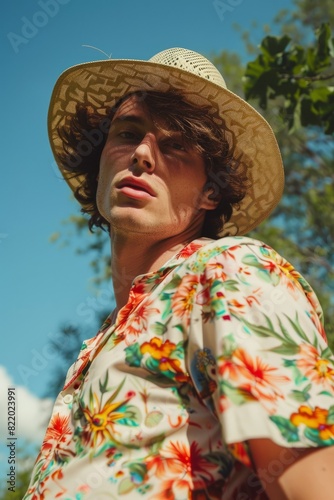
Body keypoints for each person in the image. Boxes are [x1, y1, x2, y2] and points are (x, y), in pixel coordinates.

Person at [24, 48, 334, 500]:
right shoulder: (99, 342)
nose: (144, 155)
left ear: (211, 190)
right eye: (128, 134)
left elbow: (315, 482)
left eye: (176, 146)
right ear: (99, 161)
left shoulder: (230, 270)